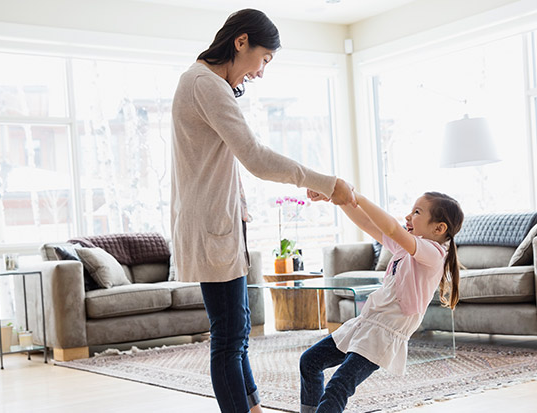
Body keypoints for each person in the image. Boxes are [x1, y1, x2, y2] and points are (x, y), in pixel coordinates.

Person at [170, 9, 355, 413]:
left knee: (236, 332)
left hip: (220, 226)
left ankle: (252, 407)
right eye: (264, 59)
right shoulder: (205, 83)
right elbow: (254, 156)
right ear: (241, 42)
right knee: (229, 336)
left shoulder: (204, 82)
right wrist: (327, 182)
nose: (261, 71)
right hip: (211, 228)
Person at [300, 191, 464, 413]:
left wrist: (356, 195)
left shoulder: (433, 254)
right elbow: (368, 223)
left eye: (416, 212)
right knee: (309, 361)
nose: (408, 216)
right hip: (366, 325)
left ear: (439, 228)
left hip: (382, 336)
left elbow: (392, 229)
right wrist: (338, 197)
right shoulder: (405, 249)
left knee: (338, 386)